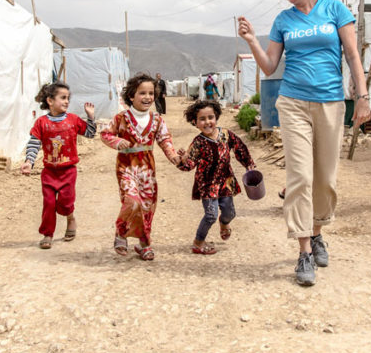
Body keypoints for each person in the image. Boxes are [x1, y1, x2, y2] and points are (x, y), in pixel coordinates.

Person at [237, 0, 370, 286]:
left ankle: (317, 231)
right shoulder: (283, 20)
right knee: (299, 177)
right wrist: (253, 40)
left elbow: (352, 55)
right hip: (293, 103)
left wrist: (363, 96)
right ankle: (304, 251)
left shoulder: (335, 11)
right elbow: (270, 67)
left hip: (330, 103)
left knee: (324, 179)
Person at [99, 72, 180, 261]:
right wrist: (117, 141)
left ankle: (144, 243)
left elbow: (165, 140)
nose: (147, 97)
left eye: (151, 93)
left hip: (147, 169)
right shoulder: (121, 118)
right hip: (126, 167)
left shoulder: (158, 120)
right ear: (131, 96)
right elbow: (105, 134)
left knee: (146, 206)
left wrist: (174, 156)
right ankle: (121, 232)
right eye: (142, 93)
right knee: (132, 201)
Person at [21, 82, 96, 249]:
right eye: (62, 98)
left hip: (68, 171)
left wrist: (90, 117)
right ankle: (47, 234)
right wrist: (29, 162)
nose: (67, 101)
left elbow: (90, 134)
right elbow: (34, 143)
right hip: (49, 172)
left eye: (68, 98)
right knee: (49, 203)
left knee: (65, 203)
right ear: (49, 100)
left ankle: (70, 218)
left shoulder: (73, 120)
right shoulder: (41, 123)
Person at [177, 99, 256, 255]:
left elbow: (240, 148)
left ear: (216, 117)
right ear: (195, 122)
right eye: (202, 119)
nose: (207, 122)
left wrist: (249, 164)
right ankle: (198, 242)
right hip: (207, 183)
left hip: (226, 180)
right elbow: (190, 164)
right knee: (211, 215)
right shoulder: (198, 142)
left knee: (230, 213)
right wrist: (183, 160)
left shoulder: (226, 134)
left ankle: (224, 223)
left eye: (210, 117)